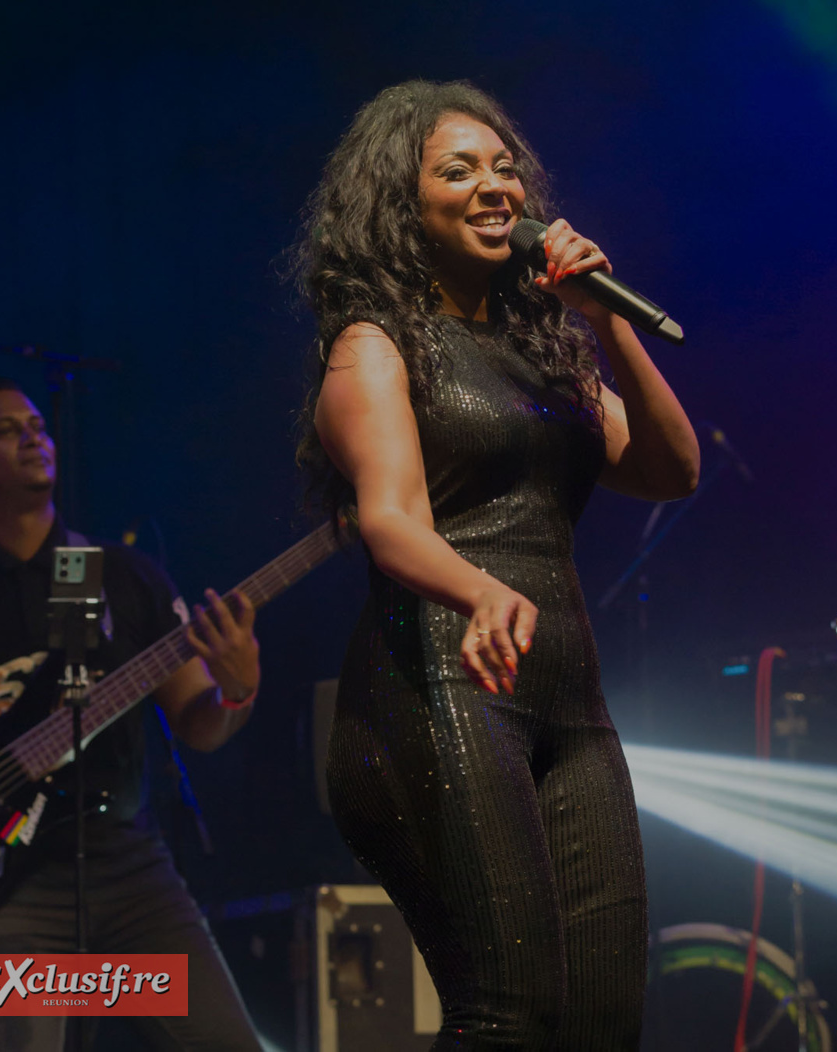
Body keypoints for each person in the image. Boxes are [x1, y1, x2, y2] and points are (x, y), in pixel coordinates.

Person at [292, 80, 700, 1050]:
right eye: (458, 170)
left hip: (569, 704)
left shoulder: (545, 350)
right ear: (401, 204)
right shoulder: (373, 346)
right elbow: (391, 519)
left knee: (602, 1023)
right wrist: (479, 590)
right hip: (437, 683)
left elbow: (672, 470)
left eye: (504, 168)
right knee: (508, 1017)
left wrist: (606, 322)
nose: (494, 186)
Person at [0, 375, 264, 1051]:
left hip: (130, 875)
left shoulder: (121, 576)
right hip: (0, 889)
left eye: (37, 426)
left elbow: (200, 724)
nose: (32, 438)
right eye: (5, 430)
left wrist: (236, 692)